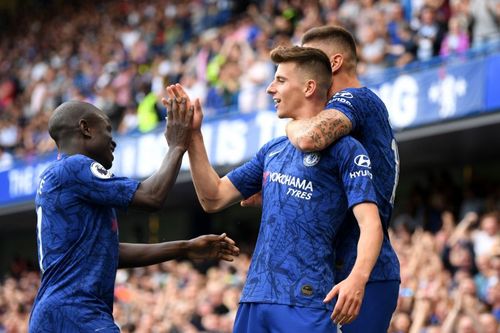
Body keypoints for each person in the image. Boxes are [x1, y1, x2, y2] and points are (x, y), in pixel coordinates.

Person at [166, 46, 385, 332]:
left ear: (308, 87)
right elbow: (214, 197)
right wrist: (194, 136)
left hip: (306, 301)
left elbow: (371, 224)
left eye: (280, 80)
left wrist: (358, 277)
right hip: (254, 298)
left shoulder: (347, 150)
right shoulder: (273, 150)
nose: (270, 89)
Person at [29, 100, 240, 332]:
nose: (114, 140)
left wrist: (185, 248)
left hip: (53, 314)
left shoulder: (59, 177)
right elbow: (151, 197)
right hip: (76, 312)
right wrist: (177, 144)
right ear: (86, 128)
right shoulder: (75, 167)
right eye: (108, 129)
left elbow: (108, 252)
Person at [242, 25, 401, 332]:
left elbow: (310, 137)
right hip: (334, 270)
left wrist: (292, 122)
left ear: (335, 63)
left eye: (311, 55)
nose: (302, 64)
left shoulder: (357, 98)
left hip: (366, 269)